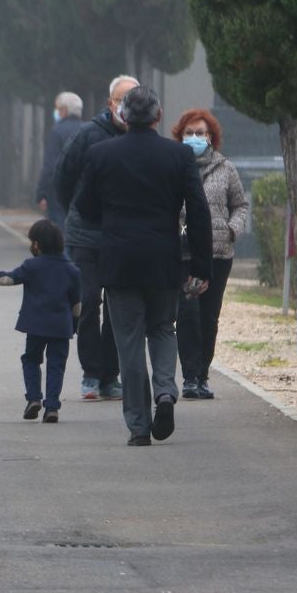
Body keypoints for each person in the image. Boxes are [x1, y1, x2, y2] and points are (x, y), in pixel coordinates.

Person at [75, 85, 212, 446]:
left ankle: (138, 426)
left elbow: (85, 208)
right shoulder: (178, 156)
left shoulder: (100, 154)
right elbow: (198, 211)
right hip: (163, 258)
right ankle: (165, 391)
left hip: (119, 259)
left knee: (129, 341)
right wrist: (201, 264)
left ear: (123, 114)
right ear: (158, 116)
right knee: (164, 329)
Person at [53, 75, 133, 401]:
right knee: (88, 303)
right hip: (86, 234)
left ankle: (110, 375)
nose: (125, 107)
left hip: (123, 236)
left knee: (118, 307)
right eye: (120, 100)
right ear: (110, 102)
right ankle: (90, 373)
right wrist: (77, 209)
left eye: (133, 100)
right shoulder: (87, 134)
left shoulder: (140, 139)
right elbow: (63, 177)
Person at [171, 109, 249, 400]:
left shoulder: (226, 168)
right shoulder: (174, 165)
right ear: (180, 136)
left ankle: (203, 374)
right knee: (188, 313)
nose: (195, 138)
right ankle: (189, 376)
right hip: (186, 253)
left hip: (218, 252)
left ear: (211, 136)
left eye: (200, 133)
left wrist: (232, 229)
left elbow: (240, 204)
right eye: (189, 133)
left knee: (209, 316)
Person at [0, 219, 81, 423]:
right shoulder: (72, 270)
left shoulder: (32, 266)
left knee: (31, 359)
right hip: (61, 327)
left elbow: (7, 279)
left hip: (35, 325)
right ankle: (52, 406)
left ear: (37, 244)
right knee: (56, 365)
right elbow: (77, 305)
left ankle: (34, 398)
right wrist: (73, 326)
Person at [36, 91, 84, 229]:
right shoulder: (89, 130)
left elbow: (50, 166)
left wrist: (41, 193)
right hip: (82, 194)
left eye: (57, 108)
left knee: (60, 236)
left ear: (64, 110)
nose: (56, 112)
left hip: (59, 196)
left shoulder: (57, 132)